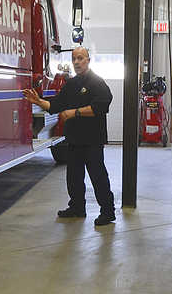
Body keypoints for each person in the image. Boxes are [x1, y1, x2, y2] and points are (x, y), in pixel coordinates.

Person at [23, 47, 116, 226]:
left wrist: (74, 113)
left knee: (98, 177)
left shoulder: (97, 83)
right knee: (73, 177)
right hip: (74, 140)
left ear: (88, 60)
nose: (76, 62)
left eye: (80, 58)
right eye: (74, 59)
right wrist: (38, 101)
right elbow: (56, 104)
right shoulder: (71, 84)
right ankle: (77, 208)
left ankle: (107, 211)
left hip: (92, 140)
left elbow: (100, 107)